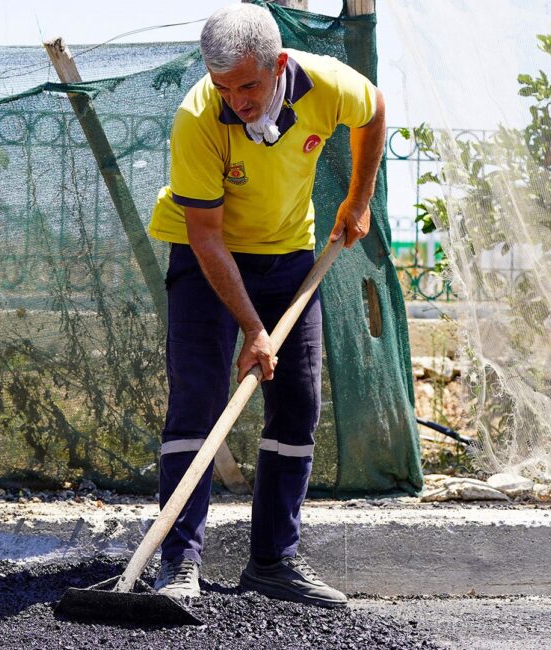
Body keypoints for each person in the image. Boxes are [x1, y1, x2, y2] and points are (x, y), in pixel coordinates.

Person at [147, 3, 385, 608]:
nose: (237, 100)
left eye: (248, 85)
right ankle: (177, 561)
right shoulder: (197, 117)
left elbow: (375, 109)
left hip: (288, 255)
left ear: (278, 65)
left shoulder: (325, 84)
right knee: (197, 400)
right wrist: (253, 329)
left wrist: (359, 199)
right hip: (209, 260)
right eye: (224, 86)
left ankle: (274, 561)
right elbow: (204, 235)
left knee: (298, 404)